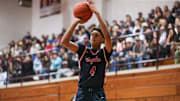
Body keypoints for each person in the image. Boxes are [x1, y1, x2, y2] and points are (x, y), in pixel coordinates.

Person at [60, 0, 112, 100]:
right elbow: (64, 42)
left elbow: (108, 37)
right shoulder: (83, 51)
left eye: (96, 35)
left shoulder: (104, 53)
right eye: (92, 35)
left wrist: (97, 14)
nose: (93, 37)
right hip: (83, 91)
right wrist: (76, 22)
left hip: (98, 92)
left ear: (102, 39)